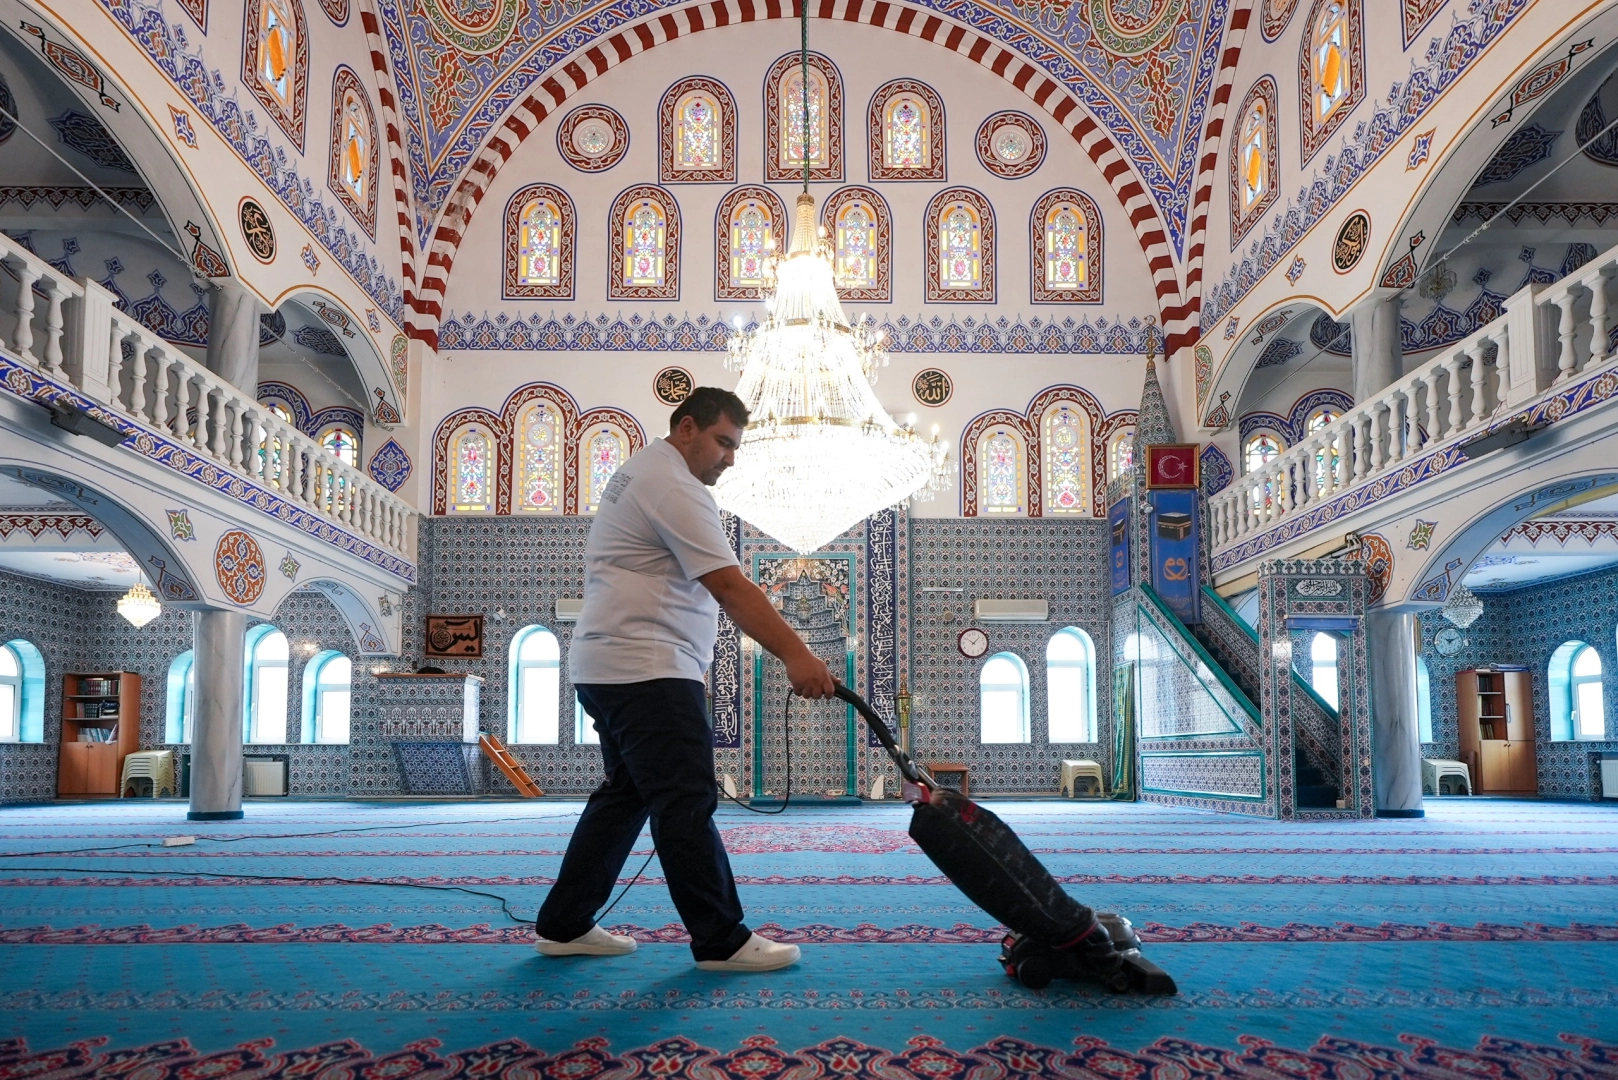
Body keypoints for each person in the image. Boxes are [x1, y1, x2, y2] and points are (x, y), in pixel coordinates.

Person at [534, 386, 837, 972]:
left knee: (626, 797)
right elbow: (729, 586)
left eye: (736, 446)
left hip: (611, 665)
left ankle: (565, 923)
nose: (730, 457)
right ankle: (720, 939)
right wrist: (797, 654)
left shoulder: (644, 471)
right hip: (647, 668)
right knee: (685, 799)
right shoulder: (673, 484)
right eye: (724, 442)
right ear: (688, 428)